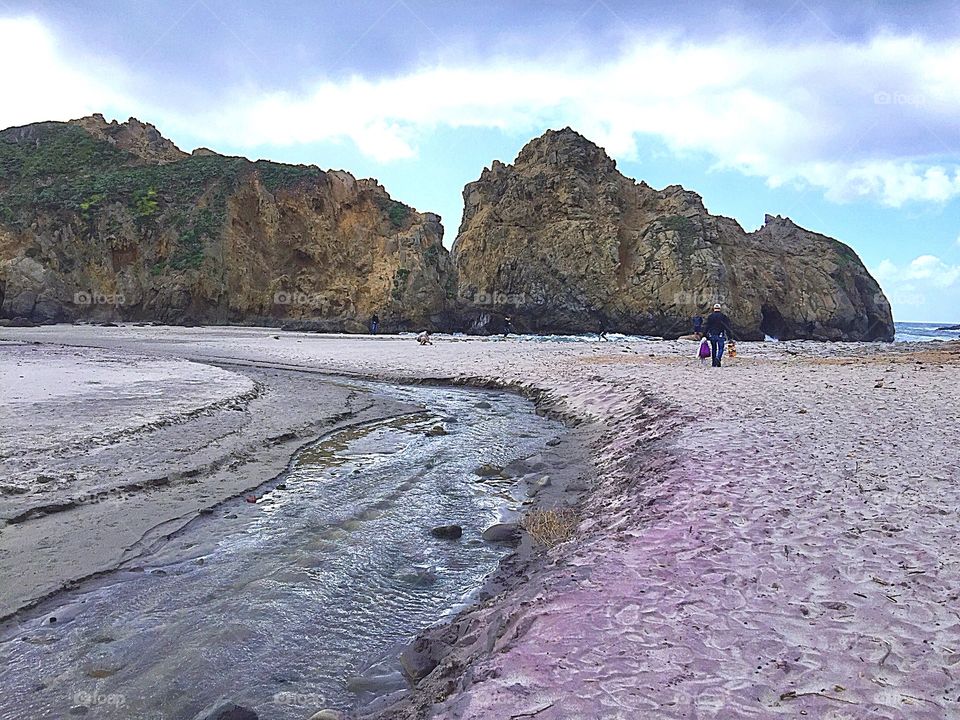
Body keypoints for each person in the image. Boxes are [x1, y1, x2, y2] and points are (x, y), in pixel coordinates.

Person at [703, 303, 735, 367]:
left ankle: (713, 362)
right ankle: (718, 358)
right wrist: (730, 336)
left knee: (714, 348)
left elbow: (707, 326)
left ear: (714, 308)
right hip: (720, 334)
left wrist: (704, 335)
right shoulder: (723, 316)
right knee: (721, 348)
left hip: (712, 335)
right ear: (720, 309)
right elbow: (726, 327)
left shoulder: (710, 316)